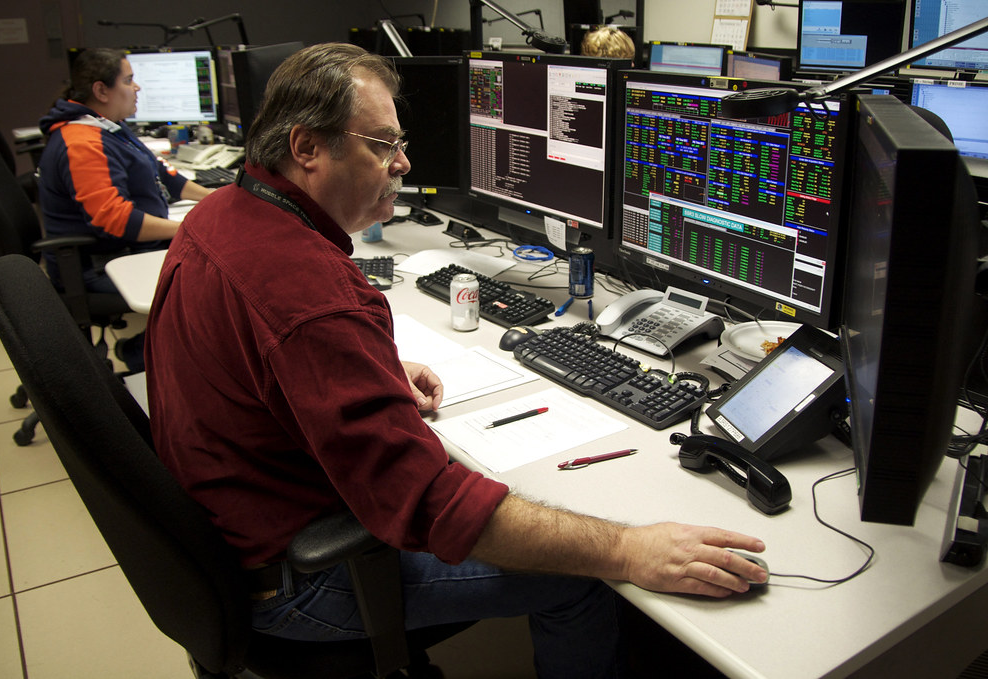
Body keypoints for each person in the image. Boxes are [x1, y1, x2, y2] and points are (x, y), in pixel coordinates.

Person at [145, 43, 767, 678]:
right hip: (297, 580)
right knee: (589, 579)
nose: (403, 162)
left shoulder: (223, 212)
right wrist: (628, 548)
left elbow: (267, 361)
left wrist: (371, 371)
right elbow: (433, 504)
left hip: (233, 531)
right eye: (382, 145)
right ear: (306, 148)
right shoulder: (306, 295)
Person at [37, 47, 213, 370]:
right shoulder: (81, 142)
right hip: (96, 266)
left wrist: (217, 198)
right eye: (129, 80)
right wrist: (190, 227)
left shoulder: (105, 126)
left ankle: (150, 348)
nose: (137, 88)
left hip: (124, 249)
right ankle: (145, 353)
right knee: (215, 281)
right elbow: (114, 219)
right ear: (101, 91)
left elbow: (164, 174)